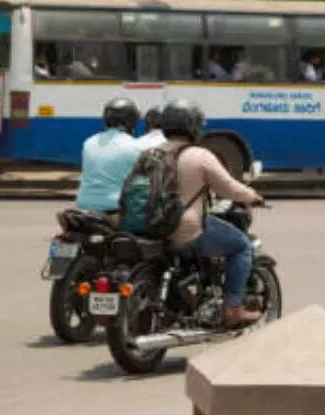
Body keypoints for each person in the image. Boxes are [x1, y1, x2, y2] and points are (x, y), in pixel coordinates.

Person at [159, 99, 265, 328]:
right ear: (193, 126)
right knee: (241, 245)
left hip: (153, 227)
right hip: (184, 228)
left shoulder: (150, 152)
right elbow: (228, 186)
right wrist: (252, 196)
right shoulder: (198, 155)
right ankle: (233, 309)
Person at [74, 97, 142, 213]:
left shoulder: (89, 142)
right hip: (116, 206)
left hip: (83, 204)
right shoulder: (135, 146)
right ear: (132, 121)